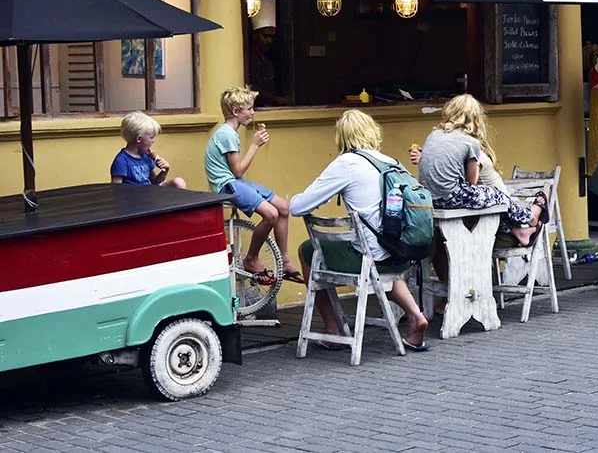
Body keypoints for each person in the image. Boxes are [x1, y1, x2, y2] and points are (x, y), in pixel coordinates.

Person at [290, 110, 430, 352]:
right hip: (399, 254)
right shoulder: (390, 161)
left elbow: (298, 207)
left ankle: (333, 330)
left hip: (370, 259)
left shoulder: (347, 164)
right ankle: (416, 315)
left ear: (342, 137)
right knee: (380, 254)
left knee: (307, 250)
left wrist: (293, 199)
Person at [416, 94, 548, 279]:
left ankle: (521, 227)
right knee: (496, 195)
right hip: (451, 197)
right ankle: (528, 218)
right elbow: (472, 182)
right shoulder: (471, 142)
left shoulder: (434, 135)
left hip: (430, 199)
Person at [205, 85, 301, 286]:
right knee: (271, 214)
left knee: (283, 207)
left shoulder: (231, 132)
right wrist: (255, 145)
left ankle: (284, 259)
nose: (252, 113)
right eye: (249, 108)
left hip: (236, 182)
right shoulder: (227, 134)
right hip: (227, 185)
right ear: (236, 111)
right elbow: (238, 171)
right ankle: (251, 258)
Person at [110, 111, 187, 189]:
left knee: (178, 182)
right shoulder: (122, 161)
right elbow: (116, 190)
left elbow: (155, 182)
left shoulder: (146, 156)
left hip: (149, 193)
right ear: (139, 139)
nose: (154, 141)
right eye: (151, 137)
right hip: (133, 198)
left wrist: (165, 171)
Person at [249, 0, 289, 107]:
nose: (269, 40)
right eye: (265, 36)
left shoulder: (268, 56)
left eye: (272, 36)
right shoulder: (250, 57)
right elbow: (252, 86)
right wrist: (275, 99)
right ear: (255, 35)